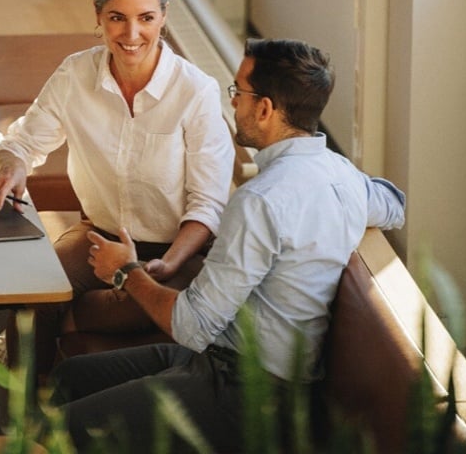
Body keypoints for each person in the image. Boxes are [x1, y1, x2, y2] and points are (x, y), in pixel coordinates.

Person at [48, 38, 406, 452]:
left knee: (65, 428)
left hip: (246, 394)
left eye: (238, 92)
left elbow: (190, 325)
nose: (232, 103)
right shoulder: (340, 173)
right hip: (230, 364)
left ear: (266, 109)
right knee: (69, 377)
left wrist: (126, 271)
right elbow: (394, 205)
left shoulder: (260, 201)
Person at [0, 0, 235, 391]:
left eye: (146, 18)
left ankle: (48, 323)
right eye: (117, 18)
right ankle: (26, 417)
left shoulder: (196, 91)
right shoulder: (75, 74)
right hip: (99, 237)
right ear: (98, 17)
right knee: (35, 287)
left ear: (163, 17)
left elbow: (208, 205)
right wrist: (13, 166)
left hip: (178, 249)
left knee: (144, 305)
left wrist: (163, 266)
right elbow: (24, 142)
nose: (132, 35)